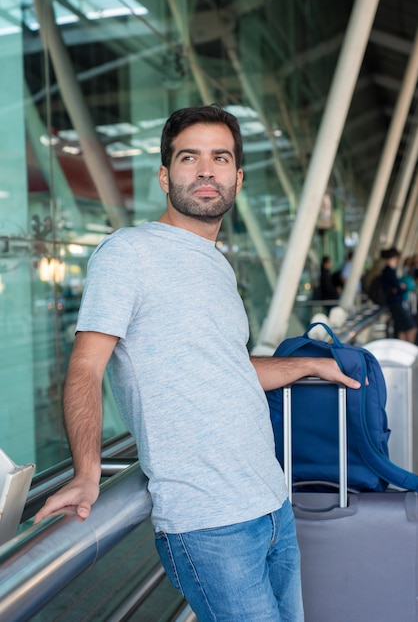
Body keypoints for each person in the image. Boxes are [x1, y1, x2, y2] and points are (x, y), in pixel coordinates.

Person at [35, 105, 361, 621]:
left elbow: (226, 366)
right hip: (209, 522)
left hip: (272, 502)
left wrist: (304, 368)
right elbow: (85, 367)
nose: (206, 170)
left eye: (220, 158)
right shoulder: (128, 253)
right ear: (165, 175)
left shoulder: (217, 265)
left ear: (238, 177)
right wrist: (87, 470)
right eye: (190, 158)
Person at [381, 247, 417, 343]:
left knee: (401, 330)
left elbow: (396, 288)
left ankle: (405, 351)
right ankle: (411, 352)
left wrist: (399, 288)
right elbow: (398, 288)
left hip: (394, 303)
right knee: (411, 328)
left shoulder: (387, 270)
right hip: (396, 303)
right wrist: (401, 287)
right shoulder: (390, 271)